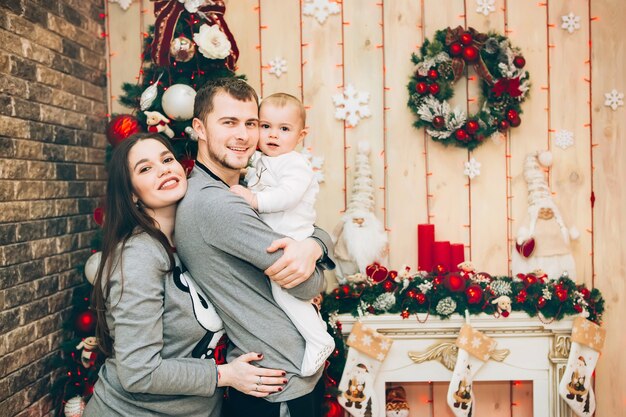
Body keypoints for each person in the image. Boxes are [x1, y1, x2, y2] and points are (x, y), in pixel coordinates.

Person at [83, 133, 286, 417]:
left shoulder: (188, 241)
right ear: (132, 193)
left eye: (167, 159)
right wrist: (224, 375)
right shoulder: (139, 255)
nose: (164, 168)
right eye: (145, 168)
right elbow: (138, 372)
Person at [175, 78, 336, 417]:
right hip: (277, 381)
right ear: (199, 129)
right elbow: (309, 283)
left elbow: (299, 227)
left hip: (279, 373)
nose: (244, 135)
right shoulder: (218, 205)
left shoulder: (244, 189)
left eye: (251, 123)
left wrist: (314, 244)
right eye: (229, 122)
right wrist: (312, 248)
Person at [230, 92, 334, 377]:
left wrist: (253, 200)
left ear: (301, 135)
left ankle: (319, 339)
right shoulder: (263, 161)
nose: (273, 135)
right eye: (266, 126)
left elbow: (288, 196)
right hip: (279, 233)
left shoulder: (294, 163)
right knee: (284, 292)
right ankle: (313, 332)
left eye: (284, 129)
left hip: (293, 234)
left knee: (284, 290)